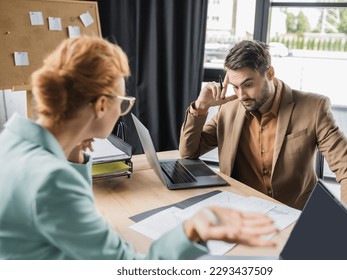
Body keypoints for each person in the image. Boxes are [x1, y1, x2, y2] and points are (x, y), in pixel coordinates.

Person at [0, 37, 278, 260]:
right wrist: (192, 229)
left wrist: (75, 150)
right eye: (122, 104)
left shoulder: (10, 141)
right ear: (100, 106)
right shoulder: (52, 181)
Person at [179, 40, 347, 223]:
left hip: (295, 215)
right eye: (235, 87)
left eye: (248, 85)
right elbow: (189, 152)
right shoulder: (229, 109)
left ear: (270, 73)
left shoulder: (314, 108)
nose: (241, 95)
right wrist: (201, 106)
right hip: (240, 213)